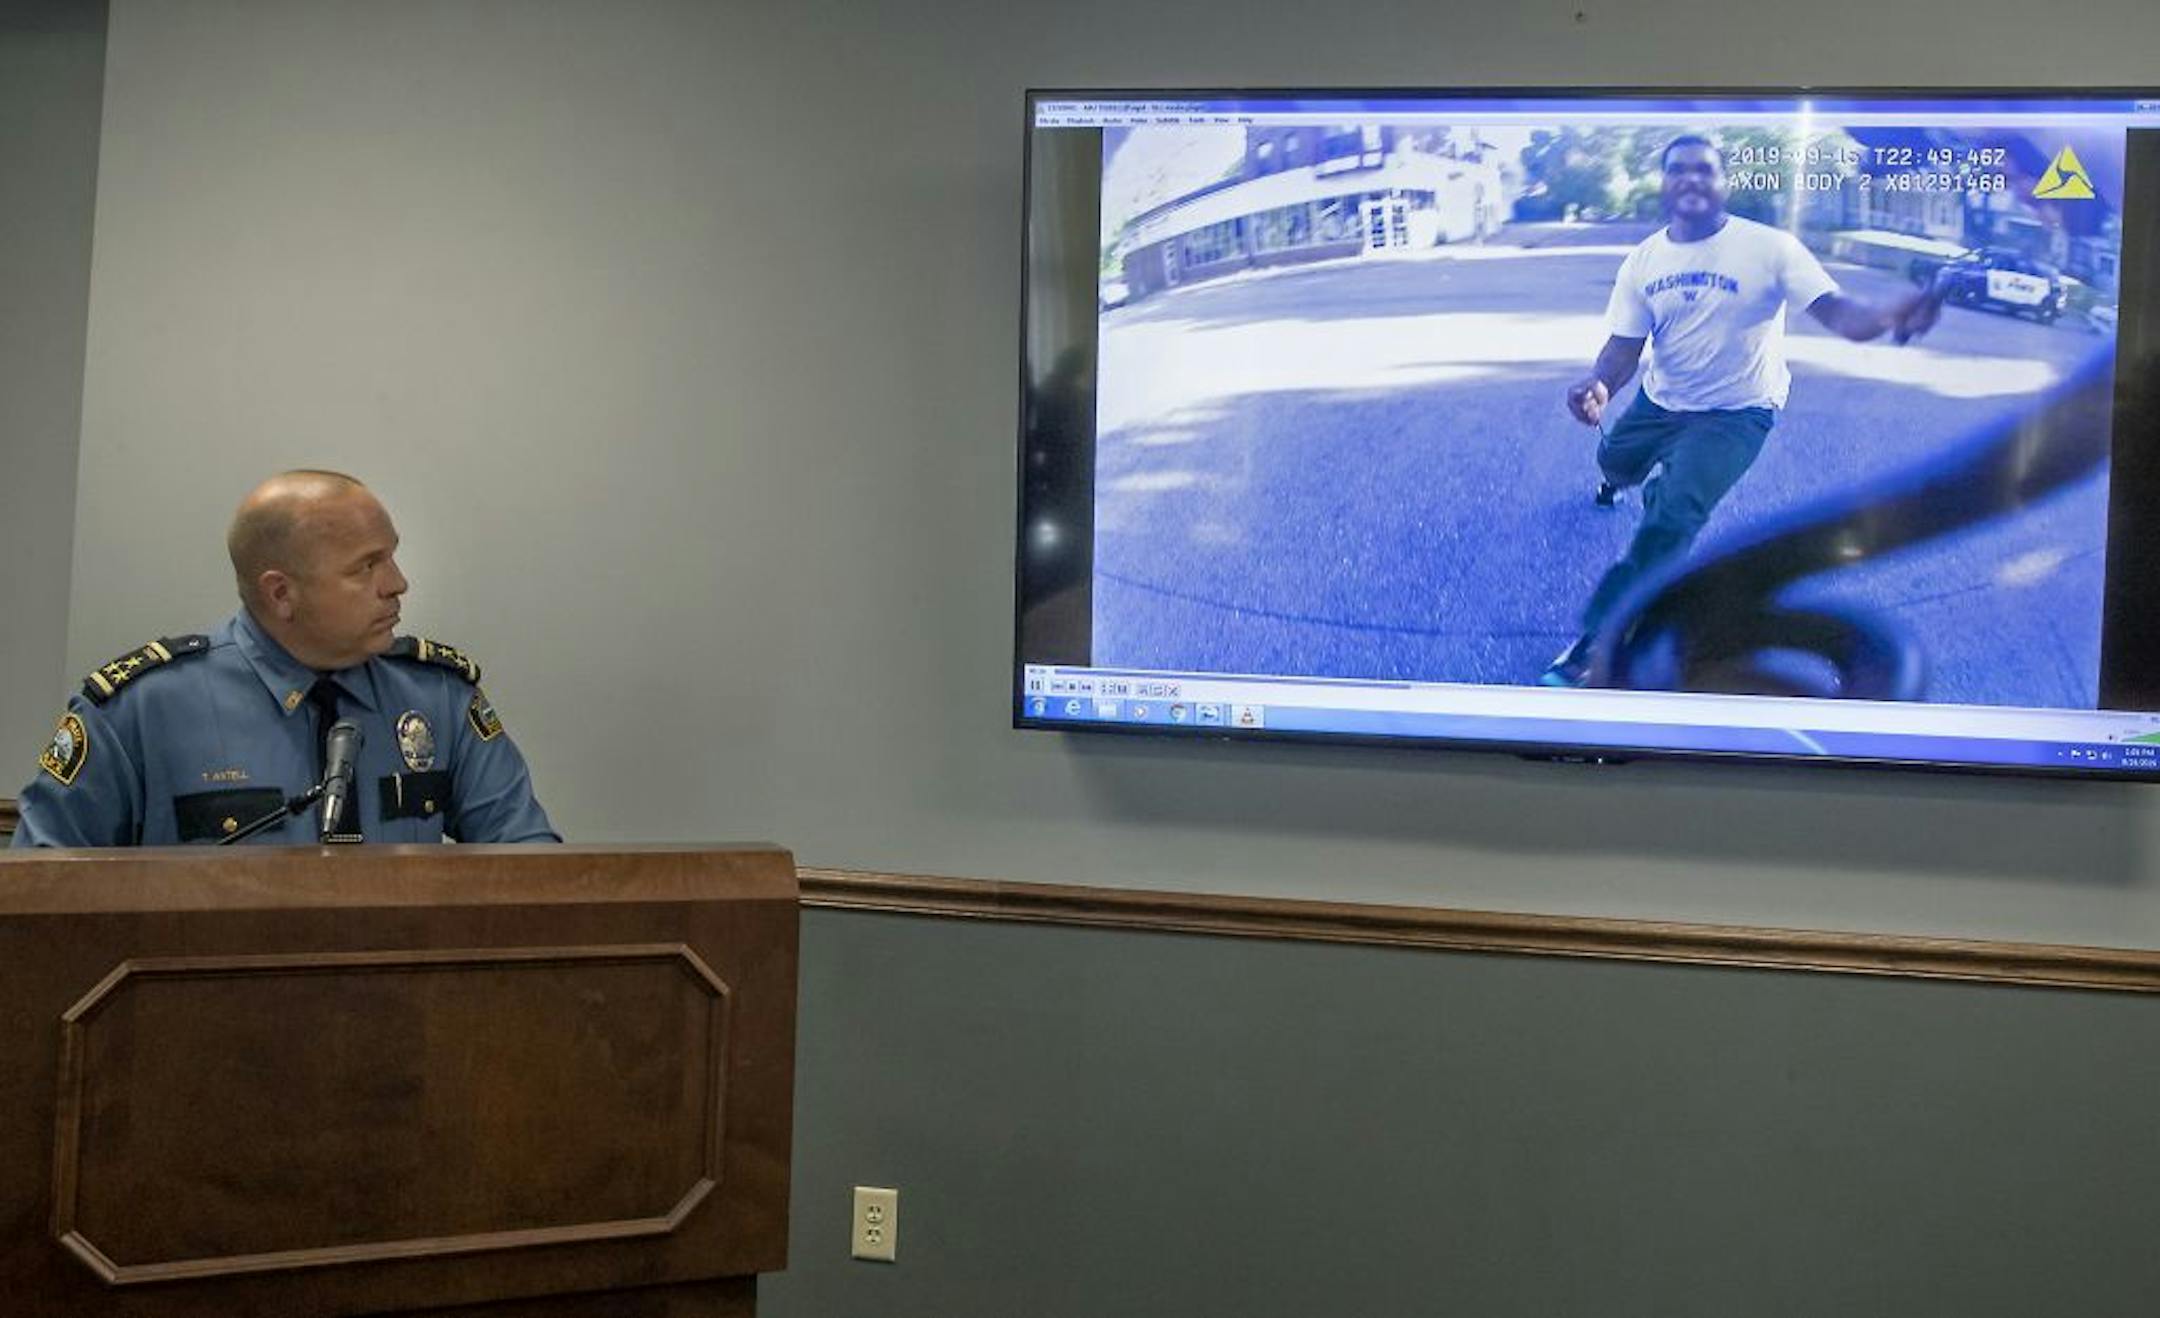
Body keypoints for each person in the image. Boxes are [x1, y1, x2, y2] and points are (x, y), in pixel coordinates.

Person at [1540, 135, 1948, 687]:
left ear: (1723, 181)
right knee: (1616, 461)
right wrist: (1598, 386)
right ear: (1664, 183)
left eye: (1703, 170)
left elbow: (1843, 315)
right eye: (1678, 170)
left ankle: (1600, 641)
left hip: (1737, 412)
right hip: (1661, 401)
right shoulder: (1644, 261)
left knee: (1672, 519)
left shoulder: (1770, 248)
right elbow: (1623, 349)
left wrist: (1888, 315)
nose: (1691, 179)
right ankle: (1618, 481)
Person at [11, 470, 559, 846]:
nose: (398, 584)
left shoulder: (438, 697)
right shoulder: (137, 712)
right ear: (281, 594)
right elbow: (46, 898)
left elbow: (528, 866)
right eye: (366, 566)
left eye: (392, 556)